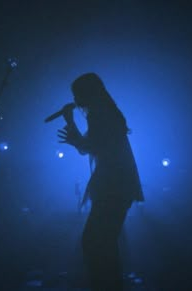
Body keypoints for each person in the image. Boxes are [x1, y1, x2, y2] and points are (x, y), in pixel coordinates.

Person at [57, 73, 144, 291]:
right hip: (115, 185)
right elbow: (88, 146)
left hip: (113, 185)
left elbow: (89, 147)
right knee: (103, 244)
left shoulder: (100, 114)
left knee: (95, 243)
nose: (76, 99)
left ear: (87, 92)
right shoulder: (103, 112)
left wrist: (71, 129)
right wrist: (71, 123)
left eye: (77, 94)